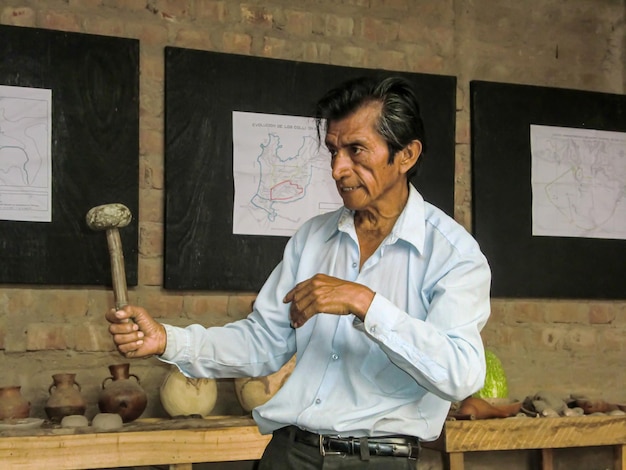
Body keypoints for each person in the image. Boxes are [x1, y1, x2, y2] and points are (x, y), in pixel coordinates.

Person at [106, 75, 491, 470]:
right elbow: (263, 342)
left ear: (406, 155)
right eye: (333, 151)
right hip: (289, 455)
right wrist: (167, 341)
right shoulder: (313, 238)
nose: (338, 169)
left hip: (378, 463)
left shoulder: (453, 254)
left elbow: (461, 374)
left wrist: (364, 302)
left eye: (356, 150)